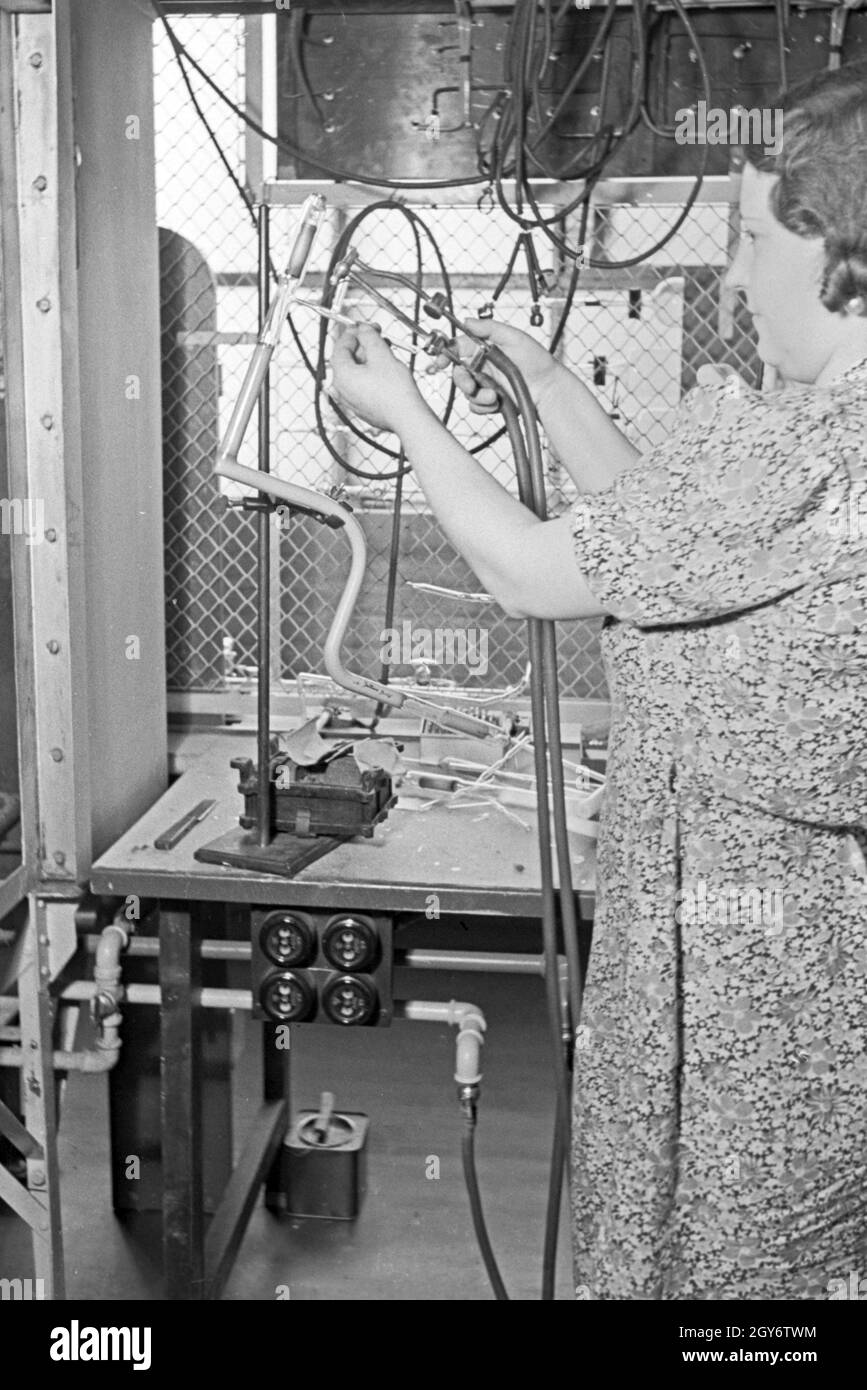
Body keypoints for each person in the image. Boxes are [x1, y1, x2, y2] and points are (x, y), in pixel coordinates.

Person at [330, 60, 867, 1300]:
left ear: (840, 252)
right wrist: (543, 377)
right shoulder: (816, 442)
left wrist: (403, 412)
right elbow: (668, 535)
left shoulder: (804, 459)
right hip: (782, 931)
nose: (731, 271)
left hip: (747, 962)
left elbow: (531, 571)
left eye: (747, 235)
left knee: (729, 1254)